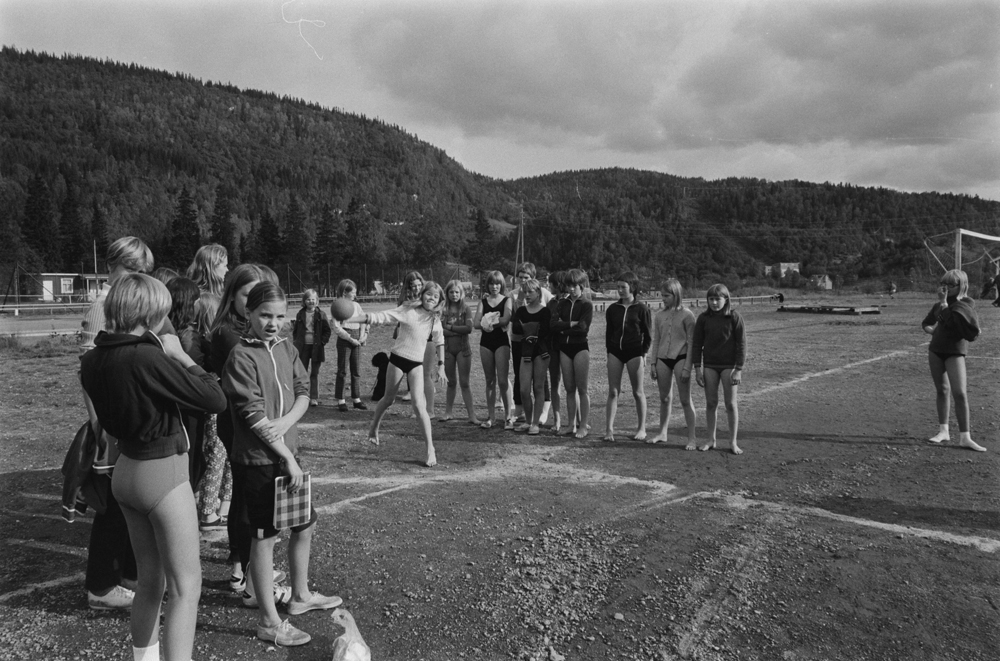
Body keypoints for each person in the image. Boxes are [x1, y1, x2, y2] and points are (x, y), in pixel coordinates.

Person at [81, 273, 227, 661]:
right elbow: (214, 399)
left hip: (125, 470)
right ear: (151, 312)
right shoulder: (146, 356)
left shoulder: (94, 358)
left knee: (150, 582)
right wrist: (179, 355)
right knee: (186, 586)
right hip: (161, 472)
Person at [222, 281, 342, 648]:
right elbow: (252, 414)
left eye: (278, 316)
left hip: (286, 456)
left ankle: (300, 597)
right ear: (249, 314)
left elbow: (304, 392)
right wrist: (286, 456)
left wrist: (288, 424)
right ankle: (269, 621)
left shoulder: (287, 348)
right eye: (264, 316)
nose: (272, 323)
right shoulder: (240, 357)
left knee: (304, 525)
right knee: (264, 536)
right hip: (258, 461)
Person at [78, 236, 153, 612]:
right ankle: (100, 586)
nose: (139, 277)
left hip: (125, 417)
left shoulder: (125, 302)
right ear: (116, 265)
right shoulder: (101, 305)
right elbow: (88, 372)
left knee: (128, 503)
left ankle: (126, 577)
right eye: (134, 269)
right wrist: (98, 427)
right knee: (109, 505)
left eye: (143, 271)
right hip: (108, 422)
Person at [208, 264, 283, 600]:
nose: (255, 299)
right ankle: (241, 569)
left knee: (252, 498)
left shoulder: (257, 333)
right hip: (241, 426)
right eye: (248, 294)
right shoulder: (229, 335)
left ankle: (255, 566)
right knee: (243, 498)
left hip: (261, 423)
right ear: (235, 296)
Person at [349, 281, 446, 466]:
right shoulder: (407, 310)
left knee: (419, 406)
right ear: (422, 294)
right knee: (388, 400)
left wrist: (441, 365)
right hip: (397, 360)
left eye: (436, 296)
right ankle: (374, 428)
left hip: (416, 364)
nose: (431, 298)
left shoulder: (434, 320)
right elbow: (380, 316)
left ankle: (430, 449)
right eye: (429, 294)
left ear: (440, 300)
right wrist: (353, 319)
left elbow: (440, 341)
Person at [922, 269, 985, 452]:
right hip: (935, 350)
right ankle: (944, 431)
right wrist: (932, 330)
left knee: (960, 393)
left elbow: (952, 321)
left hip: (955, 352)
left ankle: (965, 437)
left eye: (951, 284)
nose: (947, 287)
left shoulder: (966, 303)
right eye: (944, 284)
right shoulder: (938, 305)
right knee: (942, 390)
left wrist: (943, 303)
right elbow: (926, 323)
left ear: (962, 285)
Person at [692, 284, 746, 455]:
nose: (714, 303)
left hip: (729, 367)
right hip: (709, 366)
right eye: (711, 299)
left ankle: (733, 441)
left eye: (718, 299)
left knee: (730, 404)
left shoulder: (734, 317)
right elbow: (696, 344)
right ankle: (710, 439)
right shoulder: (703, 319)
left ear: (726, 299)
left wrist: (738, 369)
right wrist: (697, 369)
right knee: (711, 403)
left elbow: (742, 344)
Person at [166, 277, 210, 486]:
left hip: (170, 405)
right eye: (197, 300)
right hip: (190, 405)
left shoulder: (164, 331)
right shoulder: (189, 336)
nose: (200, 304)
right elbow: (194, 371)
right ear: (188, 303)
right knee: (191, 458)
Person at [193, 290, 231, 531]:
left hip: (222, 403)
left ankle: (223, 507)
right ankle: (207, 511)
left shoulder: (206, 341)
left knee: (225, 454)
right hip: (215, 406)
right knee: (217, 452)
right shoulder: (204, 345)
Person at [648, 278, 697, 448]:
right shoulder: (659, 315)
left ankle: (692, 437)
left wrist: (687, 367)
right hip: (662, 359)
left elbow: (692, 343)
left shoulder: (688, 315)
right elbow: (657, 340)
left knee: (685, 399)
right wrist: (653, 363)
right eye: (662, 295)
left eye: (666, 295)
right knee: (664, 398)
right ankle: (662, 432)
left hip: (680, 358)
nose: (663, 298)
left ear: (676, 295)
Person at [604, 271, 652, 442]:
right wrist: (609, 352)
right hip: (615, 352)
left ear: (633, 287)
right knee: (613, 391)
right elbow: (609, 333)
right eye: (618, 287)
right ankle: (609, 430)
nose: (620, 290)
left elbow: (648, 334)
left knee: (638, 392)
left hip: (635, 352)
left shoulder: (642, 309)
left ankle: (641, 428)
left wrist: (644, 353)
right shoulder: (612, 309)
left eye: (623, 287)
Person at [551, 268, 594, 439]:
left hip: (580, 348)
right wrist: (570, 324)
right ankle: (571, 424)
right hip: (565, 349)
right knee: (569, 388)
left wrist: (564, 327)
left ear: (582, 285)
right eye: (568, 285)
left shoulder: (586, 305)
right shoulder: (562, 303)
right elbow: (553, 324)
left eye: (574, 285)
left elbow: (583, 328)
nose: (570, 289)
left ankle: (583, 425)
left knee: (582, 389)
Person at [510, 263, 552, 423]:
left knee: (540, 385)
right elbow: (516, 328)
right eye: (524, 291)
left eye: (530, 291)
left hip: (541, 350)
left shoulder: (545, 302)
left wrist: (529, 328)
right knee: (523, 387)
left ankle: (539, 417)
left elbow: (545, 330)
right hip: (523, 350)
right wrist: (531, 328)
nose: (526, 293)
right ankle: (527, 419)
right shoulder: (517, 300)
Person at [474, 270, 514, 429]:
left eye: (497, 283)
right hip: (486, 343)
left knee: (503, 381)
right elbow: (476, 324)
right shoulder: (482, 302)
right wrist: (488, 321)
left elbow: (505, 319)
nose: (494, 286)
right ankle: (491, 417)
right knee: (490, 381)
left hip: (501, 342)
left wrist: (488, 321)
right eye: (491, 283)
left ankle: (508, 417)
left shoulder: (507, 300)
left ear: (502, 284)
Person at [441, 279, 479, 424]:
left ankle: (472, 415)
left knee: (465, 383)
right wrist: (455, 332)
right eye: (451, 292)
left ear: (461, 293)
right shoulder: (443, 309)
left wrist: (450, 328)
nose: (454, 295)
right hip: (448, 350)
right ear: (447, 293)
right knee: (451, 382)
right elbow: (439, 329)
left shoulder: (466, 309)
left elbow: (468, 328)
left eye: (457, 292)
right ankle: (448, 412)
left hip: (463, 350)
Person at [331, 279, 368, 412]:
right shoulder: (338, 306)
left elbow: (364, 320)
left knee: (356, 370)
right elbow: (336, 327)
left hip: (357, 339)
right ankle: (341, 400)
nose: (354, 295)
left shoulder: (357, 306)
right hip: (345, 340)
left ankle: (356, 398)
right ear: (344, 292)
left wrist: (363, 335)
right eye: (352, 292)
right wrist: (351, 339)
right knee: (342, 370)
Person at [291, 289, 332, 407]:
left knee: (315, 373)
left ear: (317, 301)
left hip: (316, 348)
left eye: (313, 299)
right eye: (308, 299)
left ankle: (313, 397)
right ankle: (301, 396)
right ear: (304, 301)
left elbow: (327, 331)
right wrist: (296, 341)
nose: (311, 301)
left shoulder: (321, 314)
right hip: (302, 347)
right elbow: (296, 330)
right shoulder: (300, 314)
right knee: (301, 372)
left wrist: (322, 342)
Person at [546, 271, 569, 433]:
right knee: (555, 383)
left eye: (550, 283)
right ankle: (557, 419)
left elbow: (573, 325)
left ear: (558, 284)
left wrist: (560, 325)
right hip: (553, 347)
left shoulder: (570, 302)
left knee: (571, 384)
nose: (549, 286)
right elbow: (550, 325)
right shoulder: (551, 303)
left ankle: (578, 420)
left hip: (569, 346)